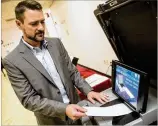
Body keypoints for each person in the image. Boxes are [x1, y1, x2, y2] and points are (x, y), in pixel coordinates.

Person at [2, 0, 109, 125]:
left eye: (42, 21)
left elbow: (72, 71)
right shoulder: (12, 61)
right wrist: (64, 109)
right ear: (19, 24)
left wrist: (88, 90)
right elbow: (29, 99)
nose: (41, 27)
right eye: (34, 24)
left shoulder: (56, 43)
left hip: (79, 110)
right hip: (53, 121)